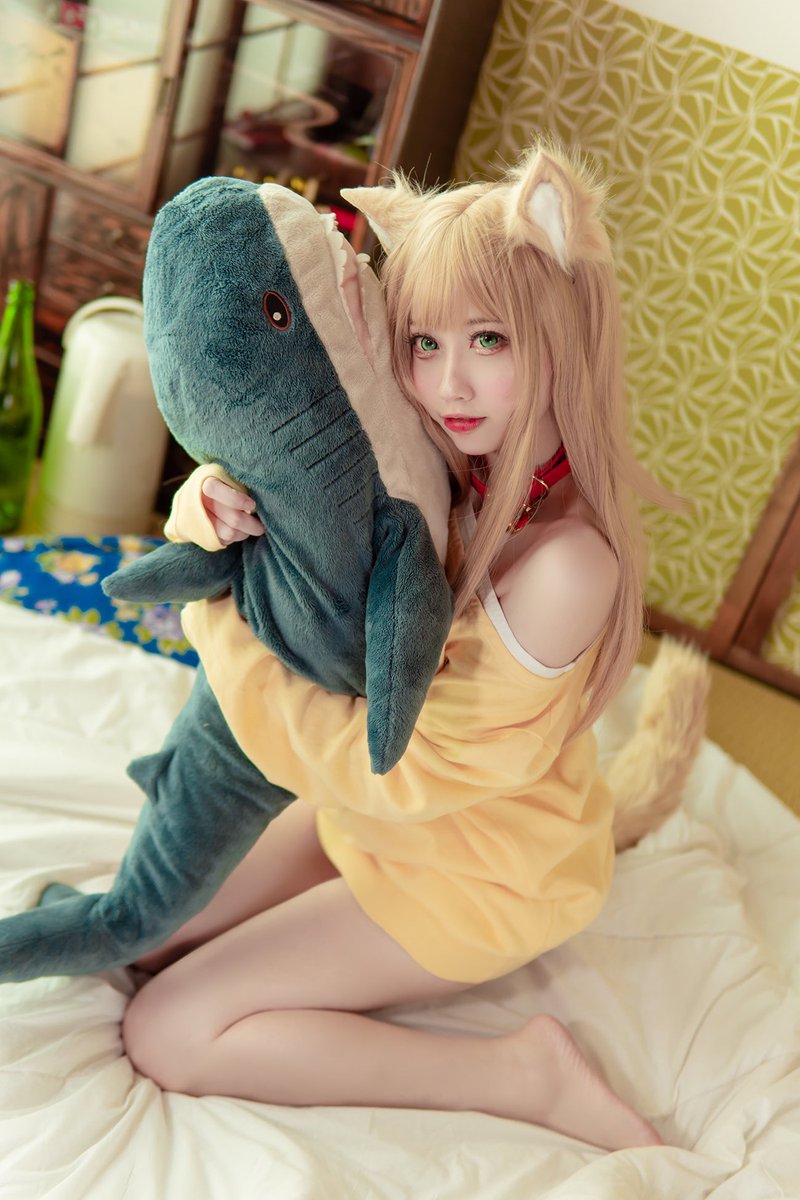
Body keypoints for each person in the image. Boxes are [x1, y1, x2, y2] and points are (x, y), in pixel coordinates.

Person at [122, 142, 675, 1150]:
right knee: (147, 936)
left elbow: (406, 771)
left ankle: (524, 1075)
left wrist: (218, 629)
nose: (448, 380)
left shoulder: (568, 565)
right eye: (423, 341)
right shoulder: (451, 449)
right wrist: (206, 506)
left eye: (489, 339)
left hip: (475, 868)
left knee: (168, 1030)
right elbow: (300, 504)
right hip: (372, 821)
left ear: (564, 331)